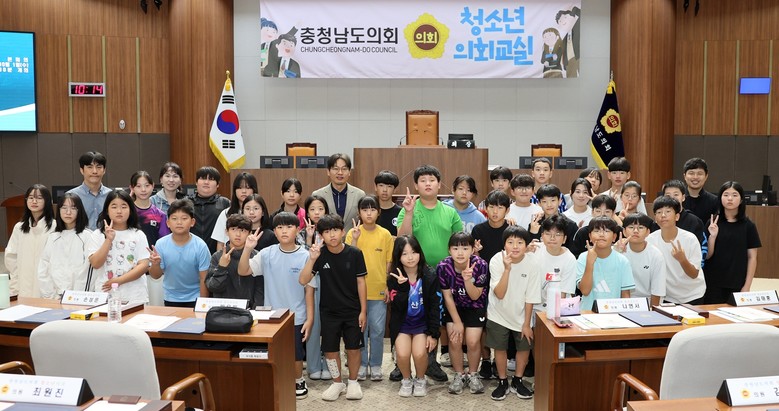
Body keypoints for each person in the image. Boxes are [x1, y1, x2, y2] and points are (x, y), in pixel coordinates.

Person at [397, 164, 462, 382]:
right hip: (413, 272)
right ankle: (400, 364)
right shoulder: (408, 208)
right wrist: (408, 213)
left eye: (432, 180)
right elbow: (402, 239)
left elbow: (459, 242)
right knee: (408, 315)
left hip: (443, 274)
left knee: (434, 317)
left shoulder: (450, 212)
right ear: (416, 185)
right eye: (423, 180)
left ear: (439, 184)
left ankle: (431, 363)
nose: (427, 184)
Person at [239, 211, 315, 400]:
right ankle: (278, 379)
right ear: (274, 231)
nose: (284, 231)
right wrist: (247, 249)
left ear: (297, 230)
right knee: (274, 351)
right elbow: (243, 270)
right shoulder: (266, 253)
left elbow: (309, 290)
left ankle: (298, 380)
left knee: (296, 353)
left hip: (296, 315)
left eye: (289, 226)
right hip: (271, 315)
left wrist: (310, 318)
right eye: (280, 227)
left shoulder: (306, 255)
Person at [298, 214, 367, 401]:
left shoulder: (355, 253)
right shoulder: (319, 255)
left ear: (343, 232)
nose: (332, 235)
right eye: (327, 232)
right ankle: (337, 382)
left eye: (335, 230)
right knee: (330, 350)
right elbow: (303, 280)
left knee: (353, 348)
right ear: (321, 236)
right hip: (328, 312)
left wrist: (363, 311)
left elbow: (361, 282)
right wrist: (312, 259)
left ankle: (353, 382)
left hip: (353, 310)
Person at [487, 226, 540, 401]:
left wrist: (526, 324)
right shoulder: (497, 260)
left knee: (524, 347)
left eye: (520, 242)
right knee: (500, 347)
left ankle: (518, 380)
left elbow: (531, 296)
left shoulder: (533, 263)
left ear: (526, 245)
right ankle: (503, 381)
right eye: (510, 242)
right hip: (498, 313)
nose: (515, 246)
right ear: (504, 245)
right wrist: (507, 269)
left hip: (522, 313)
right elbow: (499, 293)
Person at [346, 196, 393, 381]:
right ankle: (362, 364)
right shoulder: (352, 233)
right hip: (356, 291)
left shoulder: (385, 234)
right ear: (359, 212)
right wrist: (355, 239)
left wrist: (388, 285)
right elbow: (348, 259)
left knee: (378, 330)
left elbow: (389, 262)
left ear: (378, 212)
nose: (368, 213)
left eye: (372, 209)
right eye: (365, 210)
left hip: (378, 289)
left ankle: (375, 365)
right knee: (360, 331)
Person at [387, 235, 441, 398]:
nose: (410, 257)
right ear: (398, 256)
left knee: (419, 354)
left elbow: (435, 306)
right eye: (404, 254)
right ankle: (406, 380)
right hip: (402, 324)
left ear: (420, 253)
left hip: (422, 325)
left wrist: (433, 334)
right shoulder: (394, 277)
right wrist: (403, 288)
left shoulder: (430, 275)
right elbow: (396, 307)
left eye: (413, 252)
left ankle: (420, 379)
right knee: (403, 354)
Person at [438, 232, 489, 395]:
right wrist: (457, 322)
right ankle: (459, 375)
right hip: (454, 307)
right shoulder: (443, 267)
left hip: (475, 305)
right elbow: (447, 296)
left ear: (473, 249)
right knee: (455, 340)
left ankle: (473, 374)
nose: (460, 253)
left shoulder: (480, 265)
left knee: (473, 342)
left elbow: (475, 296)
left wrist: (467, 279)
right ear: (449, 250)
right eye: (455, 248)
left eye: (465, 248)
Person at [471, 190, 512, 380]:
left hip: (506, 282)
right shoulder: (478, 230)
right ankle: (486, 361)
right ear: (486, 208)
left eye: (500, 207)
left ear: (507, 210)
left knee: (502, 324)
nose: (495, 211)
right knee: (485, 324)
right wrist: (476, 253)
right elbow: (473, 260)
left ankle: (499, 360)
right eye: (492, 207)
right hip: (483, 283)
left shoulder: (511, 230)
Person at [704, 181, 761, 303]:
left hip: (737, 283)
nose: (730, 198)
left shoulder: (748, 226)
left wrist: (747, 286)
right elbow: (707, 255)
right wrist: (712, 236)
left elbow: (752, 258)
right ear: (720, 198)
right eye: (726, 195)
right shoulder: (712, 222)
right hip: (712, 282)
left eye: (734, 195)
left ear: (741, 200)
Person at [89, 190, 150, 303]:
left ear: (130, 210)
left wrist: (119, 280)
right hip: (105, 295)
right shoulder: (97, 234)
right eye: (114, 207)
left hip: (135, 295)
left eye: (124, 206)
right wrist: (108, 240)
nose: (119, 211)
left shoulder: (138, 234)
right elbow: (96, 264)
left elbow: (144, 265)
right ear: (107, 210)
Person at [148, 198, 210, 307]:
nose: (179, 222)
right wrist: (155, 264)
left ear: (192, 222)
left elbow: (203, 279)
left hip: (195, 297)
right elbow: (155, 276)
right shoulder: (161, 244)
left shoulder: (201, 246)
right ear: (168, 223)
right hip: (170, 297)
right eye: (174, 218)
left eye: (184, 218)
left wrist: (203, 305)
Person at [646, 196, 705, 304]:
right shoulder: (650, 240)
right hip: (667, 296)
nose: (663, 215)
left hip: (692, 295)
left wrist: (682, 259)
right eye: (659, 212)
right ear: (655, 218)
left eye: (668, 211)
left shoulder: (690, 238)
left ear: (677, 216)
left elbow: (694, 274)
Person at [37, 193, 93, 299]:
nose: (68, 212)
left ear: (79, 211)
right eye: (64, 208)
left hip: (79, 297)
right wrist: (51, 296)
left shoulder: (87, 236)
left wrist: (77, 296)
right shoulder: (53, 237)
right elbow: (43, 269)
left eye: (73, 208)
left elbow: (88, 270)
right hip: (55, 298)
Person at [6, 184, 56, 297]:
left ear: (47, 201)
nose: (34, 201)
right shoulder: (19, 227)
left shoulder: (55, 227)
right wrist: (14, 284)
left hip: (47, 285)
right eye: (31, 197)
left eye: (39, 198)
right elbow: (11, 257)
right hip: (23, 283)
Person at [301, 195, 330, 381]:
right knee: (312, 323)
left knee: (329, 326)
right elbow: (301, 258)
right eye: (312, 209)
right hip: (309, 281)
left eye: (320, 208)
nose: (317, 212)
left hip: (329, 281)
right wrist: (309, 237)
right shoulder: (301, 233)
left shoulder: (332, 230)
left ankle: (328, 365)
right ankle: (313, 366)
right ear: (307, 212)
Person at [576, 217, 635, 311]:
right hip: (587, 312)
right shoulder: (583, 257)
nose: (601, 235)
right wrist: (589, 263)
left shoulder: (622, 261)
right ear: (590, 236)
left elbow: (625, 295)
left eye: (606, 231)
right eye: (596, 231)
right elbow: (585, 291)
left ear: (614, 237)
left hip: (614, 313)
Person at [205, 214, 263, 308]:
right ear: (226, 232)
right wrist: (221, 268)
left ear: (249, 233)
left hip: (249, 310)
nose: (238, 234)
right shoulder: (217, 256)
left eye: (243, 230)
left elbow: (260, 288)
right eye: (233, 229)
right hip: (223, 309)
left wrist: (256, 309)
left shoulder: (256, 255)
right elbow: (213, 287)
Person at [618, 213, 666, 306]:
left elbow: (657, 291)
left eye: (640, 227)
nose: (635, 231)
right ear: (624, 232)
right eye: (631, 227)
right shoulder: (617, 252)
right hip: (620, 302)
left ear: (648, 232)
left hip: (646, 303)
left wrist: (652, 312)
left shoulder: (656, 255)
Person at [312, 153, 366, 232]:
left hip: (353, 238)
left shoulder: (360, 195)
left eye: (344, 169)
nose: (340, 172)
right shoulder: (318, 195)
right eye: (335, 168)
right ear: (328, 171)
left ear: (349, 172)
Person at [211, 172, 258, 251]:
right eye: (240, 188)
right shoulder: (226, 213)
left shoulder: (258, 213)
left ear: (254, 190)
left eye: (248, 188)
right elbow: (220, 243)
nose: (244, 191)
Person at [188, 166, 230, 254]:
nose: (206, 182)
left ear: (217, 184)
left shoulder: (225, 203)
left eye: (211, 179)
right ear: (196, 182)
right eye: (203, 178)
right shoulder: (186, 203)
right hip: (189, 254)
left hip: (216, 254)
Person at [661, 179, 707, 259]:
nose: (672, 198)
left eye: (676, 194)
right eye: (668, 195)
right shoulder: (660, 220)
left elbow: (700, 251)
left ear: (683, 197)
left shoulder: (694, 221)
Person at [68, 151, 111, 230]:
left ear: (104, 170)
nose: (94, 171)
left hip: (106, 236)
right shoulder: (71, 195)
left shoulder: (111, 195)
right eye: (90, 167)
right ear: (82, 170)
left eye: (99, 167)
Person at [528, 184, 578, 250]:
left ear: (560, 201)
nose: (549, 205)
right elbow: (530, 250)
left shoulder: (570, 225)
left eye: (553, 200)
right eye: (544, 201)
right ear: (539, 204)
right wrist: (533, 233)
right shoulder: (535, 224)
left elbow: (573, 251)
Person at [130, 171, 170, 247]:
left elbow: (164, 242)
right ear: (132, 188)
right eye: (138, 186)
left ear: (153, 186)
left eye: (147, 185)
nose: (143, 189)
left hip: (153, 254)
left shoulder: (160, 215)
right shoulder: (128, 212)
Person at [682, 157, 719, 223]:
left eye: (699, 174)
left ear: (706, 176)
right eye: (691, 173)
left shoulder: (714, 201)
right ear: (684, 176)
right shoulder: (677, 199)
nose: (695, 177)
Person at [374, 170, 401, 236]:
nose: (385, 190)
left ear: (395, 189)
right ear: (375, 187)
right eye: (381, 185)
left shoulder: (401, 212)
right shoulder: (371, 211)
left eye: (389, 186)